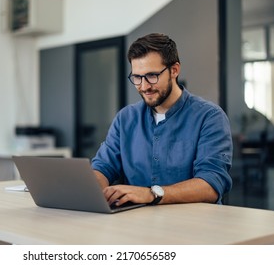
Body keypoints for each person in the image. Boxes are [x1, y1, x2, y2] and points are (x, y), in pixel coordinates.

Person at [91, 33, 232, 206]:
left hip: (194, 226)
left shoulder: (209, 117)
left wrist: (152, 194)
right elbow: (102, 167)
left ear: (174, 70)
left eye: (152, 76)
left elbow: (211, 184)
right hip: (136, 224)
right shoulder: (125, 119)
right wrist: (95, 189)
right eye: (137, 77)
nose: (143, 86)